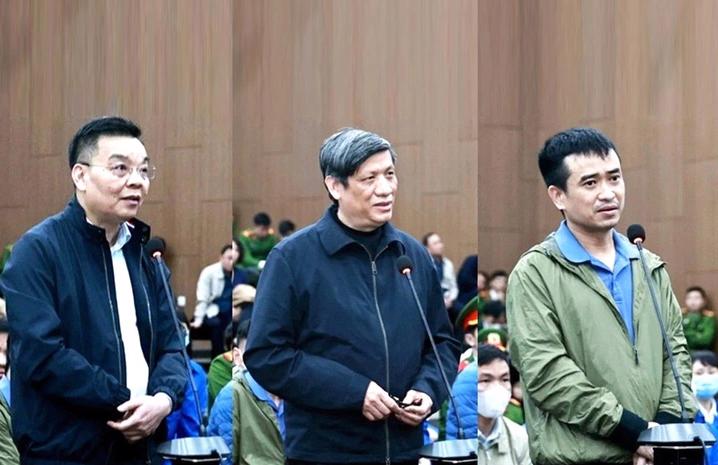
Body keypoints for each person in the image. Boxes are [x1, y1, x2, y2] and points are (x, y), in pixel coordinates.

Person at [244, 127, 460, 464]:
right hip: (326, 453)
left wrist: (429, 390)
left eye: (390, 174)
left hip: (405, 451)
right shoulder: (293, 258)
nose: (385, 189)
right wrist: (353, 392)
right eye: (369, 178)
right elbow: (266, 355)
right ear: (334, 185)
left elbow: (442, 343)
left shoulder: (412, 255)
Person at [0, 116, 186, 465]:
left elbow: (172, 347)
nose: (137, 182)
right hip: (64, 451)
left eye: (144, 171)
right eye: (120, 168)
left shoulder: (144, 257)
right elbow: (44, 356)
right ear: (80, 175)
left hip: (140, 449)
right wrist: (129, 400)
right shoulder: (38, 252)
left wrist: (162, 401)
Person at [507, 127, 693, 465]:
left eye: (615, 178)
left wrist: (661, 437)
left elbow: (676, 355)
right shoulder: (535, 273)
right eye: (590, 183)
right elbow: (548, 374)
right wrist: (635, 434)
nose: (608, 193)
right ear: (557, 195)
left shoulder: (648, 265)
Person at [474, 344, 531, 465]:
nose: (497, 388)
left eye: (504, 379)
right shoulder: (462, 438)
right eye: (486, 380)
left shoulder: (520, 438)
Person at [191, 243, 246, 358]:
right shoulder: (209, 272)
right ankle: (218, 359)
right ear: (221, 258)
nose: (231, 261)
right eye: (228, 258)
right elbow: (202, 298)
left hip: (234, 310)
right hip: (213, 311)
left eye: (233, 258)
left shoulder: (240, 274)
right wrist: (198, 319)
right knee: (217, 324)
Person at [422, 232, 459, 312]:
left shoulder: (448, 263)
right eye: (435, 243)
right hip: (430, 300)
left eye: (440, 242)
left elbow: (453, 286)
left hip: (448, 299)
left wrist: (450, 299)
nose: (440, 245)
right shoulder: (423, 263)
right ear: (427, 248)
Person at [682, 286, 716, 351]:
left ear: (704, 301)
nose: (692, 301)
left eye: (696, 298)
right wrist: (696, 335)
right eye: (689, 298)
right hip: (683, 351)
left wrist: (686, 333)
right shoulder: (681, 316)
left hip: (701, 352)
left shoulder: (708, 317)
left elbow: (706, 341)